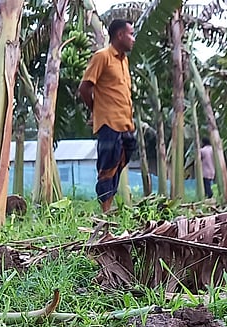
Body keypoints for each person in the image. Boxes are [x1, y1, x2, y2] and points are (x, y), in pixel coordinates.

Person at [79, 19, 137, 213]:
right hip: (108, 122)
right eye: (130, 34)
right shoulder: (102, 56)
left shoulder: (124, 60)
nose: (133, 39)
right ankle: (105, 211)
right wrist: (96, 110)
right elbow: (85, 87)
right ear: (120, 35)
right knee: (107, 166)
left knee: (121, 158)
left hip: (125, 122)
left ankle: (108, 201)